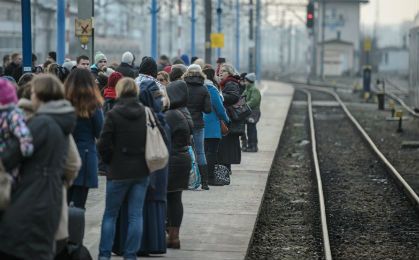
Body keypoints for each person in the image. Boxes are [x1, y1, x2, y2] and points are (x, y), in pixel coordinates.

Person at [0, 74, 76, 260]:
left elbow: (9, 156)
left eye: (33, 92)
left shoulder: (41, 124)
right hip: (49, 199)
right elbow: (72, 165)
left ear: (41, 95)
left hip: (30, 201)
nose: (31, 96)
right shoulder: (59, 124)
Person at [97, 77, 150, 260]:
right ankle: (130, 255)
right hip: (141, 171)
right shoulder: (145, 113)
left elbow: (103, 144)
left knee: (110, 215)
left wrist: (110, 161)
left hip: (118, 171)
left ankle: (104, 255)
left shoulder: (113, 114)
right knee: (136, 215)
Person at [65, 68, 104, 209]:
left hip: (64, 154)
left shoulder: (62, 103)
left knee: (63, 205)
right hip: (86, 156)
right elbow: (100, 132)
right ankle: (75, 230)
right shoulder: (94, 105)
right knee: (78, 206)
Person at [164, 80, 192, 249]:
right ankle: (174, 236)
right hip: (182, 159)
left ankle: (168, 234)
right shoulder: (184, 112)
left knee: (167, 198)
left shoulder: (170, 115)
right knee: (175, 198)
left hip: (171, 160)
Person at [183, 64, 211, 190]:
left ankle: (186, 180)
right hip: (198, 124)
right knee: (200, 152)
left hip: (184, 123)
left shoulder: (183, 86)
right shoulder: (204, 89)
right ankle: (205, 182)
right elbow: (208, 109)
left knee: (184, 150)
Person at [202, 65, 230, 185]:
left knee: (203, 151)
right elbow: (220, 109)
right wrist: (227, 119)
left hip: (201, 124)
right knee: (211, 152)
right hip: (212, 125)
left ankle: (203, 177)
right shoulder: (211, 89)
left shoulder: (200, 88)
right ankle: (210, 177)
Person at [0, 78, 34, 177]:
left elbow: (23, 133)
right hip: (9, 166)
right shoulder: (14, 114)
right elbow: (23, 133)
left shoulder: (12, 114)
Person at [217, 63, 242, 174]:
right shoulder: (225, 83)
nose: (220, 73)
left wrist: (220, 96)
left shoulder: (231, 82)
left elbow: (233, 96)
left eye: (223, 71)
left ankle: (226, 168)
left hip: (230, 118)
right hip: (228, 118)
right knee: (226, 145)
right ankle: (226, 167)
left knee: (227, 145)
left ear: (229, 73)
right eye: (220, 71)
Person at [242, 73, 261, 152]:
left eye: (245, 81)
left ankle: (253, 146)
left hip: (254, 112)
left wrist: (245, 105)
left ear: (249, 81)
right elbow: (242, 98)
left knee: (251, 129)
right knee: (250, 129)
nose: (244, 82)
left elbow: (254, 101)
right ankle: (250, 145)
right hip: (249, 111)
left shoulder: (254, 90)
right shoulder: (247, 89)